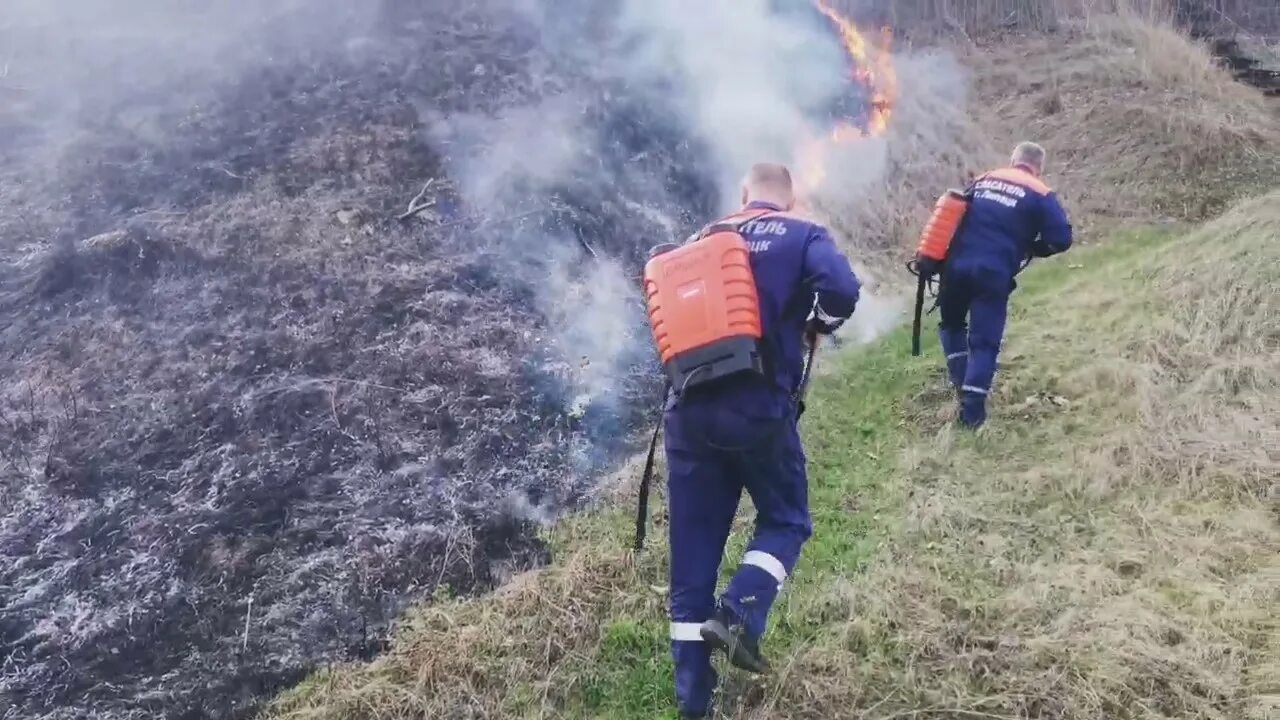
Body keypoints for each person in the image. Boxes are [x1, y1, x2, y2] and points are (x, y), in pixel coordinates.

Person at [663, 162, 861, 719]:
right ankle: (742, 614)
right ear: (789, 199)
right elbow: (842, 291)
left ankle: (694, 704)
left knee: (692, 563)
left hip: (688, 418)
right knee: (786, 520)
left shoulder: (703, 238)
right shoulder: (803, 234)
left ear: (743, 194)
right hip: (759, 412)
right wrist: (817, 320)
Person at [938, 141, 1074, 429]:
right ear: (1039, 167)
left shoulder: (985, 178)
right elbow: (1061, 238)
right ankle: (971, 415)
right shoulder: (1040, 192)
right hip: (993, 273)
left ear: (1014, 160)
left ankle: (960, 381)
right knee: (984, 343)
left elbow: (954, 214)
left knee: (951, 325)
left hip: (955, 266)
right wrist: (1033, 248)